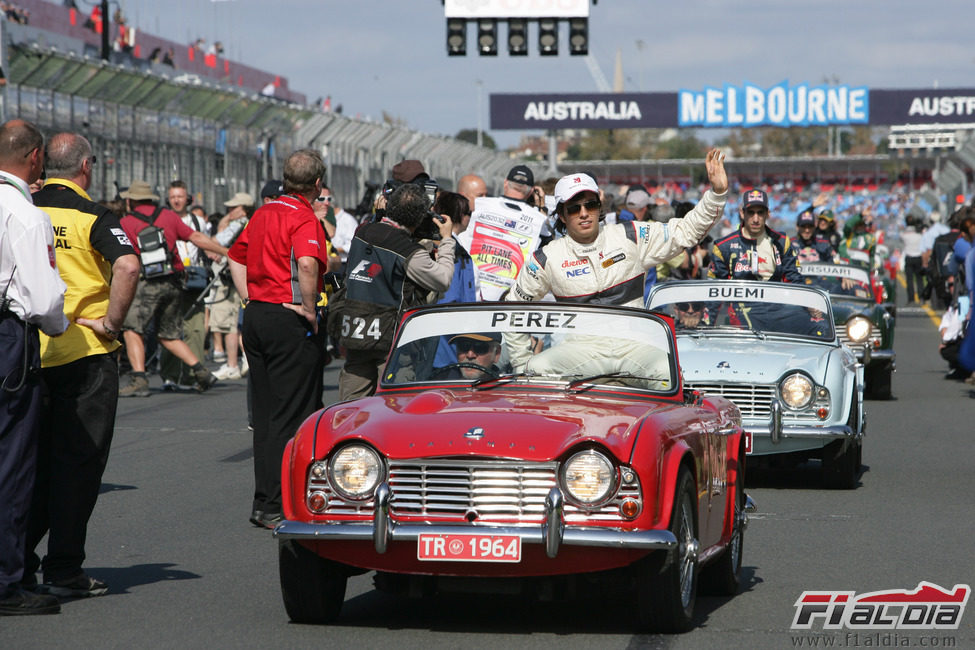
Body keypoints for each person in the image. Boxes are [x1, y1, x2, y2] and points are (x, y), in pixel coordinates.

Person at [25, 132, 139, 599]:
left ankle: (15, 559)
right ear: (86, 166)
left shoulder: (23, 211)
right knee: (79, 463)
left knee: (29, 463)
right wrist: (112, 323)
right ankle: (65, 566)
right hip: (85, 353)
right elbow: (129, 266)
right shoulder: (92, 215)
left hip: (29, 351)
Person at [505, 150, 727, 369]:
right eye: (574, 208)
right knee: (537, 368)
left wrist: (716, 194)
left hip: (636, 345)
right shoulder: (547, 258)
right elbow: (512, 308)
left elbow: (685, 231)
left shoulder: (631, 235)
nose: (584, 213)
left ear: (599, 207)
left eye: (590, 205)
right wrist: (521, 362)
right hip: (579, 349)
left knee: (667, 370)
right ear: (561, 215)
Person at [228, 149, 330, 529]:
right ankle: (283, 502)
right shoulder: (303, 217)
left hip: (256, 315)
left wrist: (247, 297)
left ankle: (264, 501)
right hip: (288, 316)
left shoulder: (263, 212)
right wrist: (307, 306)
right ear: (317, 185)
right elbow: (307, 263)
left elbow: (234, 257)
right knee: (293, 414)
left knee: (267, 415)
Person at [0, 119, 68, 616]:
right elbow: (45, 302)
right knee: (13, 464)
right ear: (36, 158)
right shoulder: (26, 215)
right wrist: (61, 323)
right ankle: (8, 579)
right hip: (9, 339)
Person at [335, 182, 455, 401]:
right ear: (419, 218)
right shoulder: (408, 251)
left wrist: (379, 214)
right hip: (390, 342)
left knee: (350, 408)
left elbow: (381, 232)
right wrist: (447, 240)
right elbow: (443, 279)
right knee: (394, 404)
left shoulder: (363, 232)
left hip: (356, 332)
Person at [117, 180, 227, 396]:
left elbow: (124, 258)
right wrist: (225, 251)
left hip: (146, 283)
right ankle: (201, 371)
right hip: (174, 282)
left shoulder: (127, 222)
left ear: (130, 201)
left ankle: (139, 379)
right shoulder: (168, 217)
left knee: (132, 329)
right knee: (169, 334)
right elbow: (195, 237)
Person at [458, 164, 550, 301]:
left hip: (471, 294)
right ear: (531, 192)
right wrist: (542, 206)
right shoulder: (538, 219)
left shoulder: (479, 205)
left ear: (505, 183)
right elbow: (548, 247)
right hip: (508, 301)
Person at [159, 180, 210, 390]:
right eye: (173, 197)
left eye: (180, 196)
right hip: (172, 277)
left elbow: (205, 243)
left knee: (195, 328)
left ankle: (194, 374)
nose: (177, 200)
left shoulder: (198, 221)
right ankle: (170, 376)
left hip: (194, 277)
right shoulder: (162, 219)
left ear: (187, 198)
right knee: (170, 329)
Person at [709, 188, 802, 282]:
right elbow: (715, 286)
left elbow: (794, 280)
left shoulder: (781, 242)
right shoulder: (723, 247)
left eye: (760, 213)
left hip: (774, 296)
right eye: (751, 212)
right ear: (742, 213)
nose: (756, 219)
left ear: (768, 214)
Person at [209, 192, 254, 380]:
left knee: (228, 324)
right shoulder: (252, 223)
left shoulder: (237, 224)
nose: (229, 211)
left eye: (234, 208)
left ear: (244, 209)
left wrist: (222, 251)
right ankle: (244, 360)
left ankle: (233, 364)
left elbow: (214, 242)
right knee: (240, 322)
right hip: (244, 278)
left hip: (229, 280)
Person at [436, 332, 502, 380]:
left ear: (496, 353)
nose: (470, 355)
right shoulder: (437, 384)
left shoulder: (506, 390)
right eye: (463, 346)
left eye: (480, 347)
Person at [901, 215, 926, 304]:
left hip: (909, 257)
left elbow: (902, 237)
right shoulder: (919, 234)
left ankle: (911, 299)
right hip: (918, 257)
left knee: (909, 279)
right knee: (919, 279)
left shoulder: (904, 234)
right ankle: (921, 297)